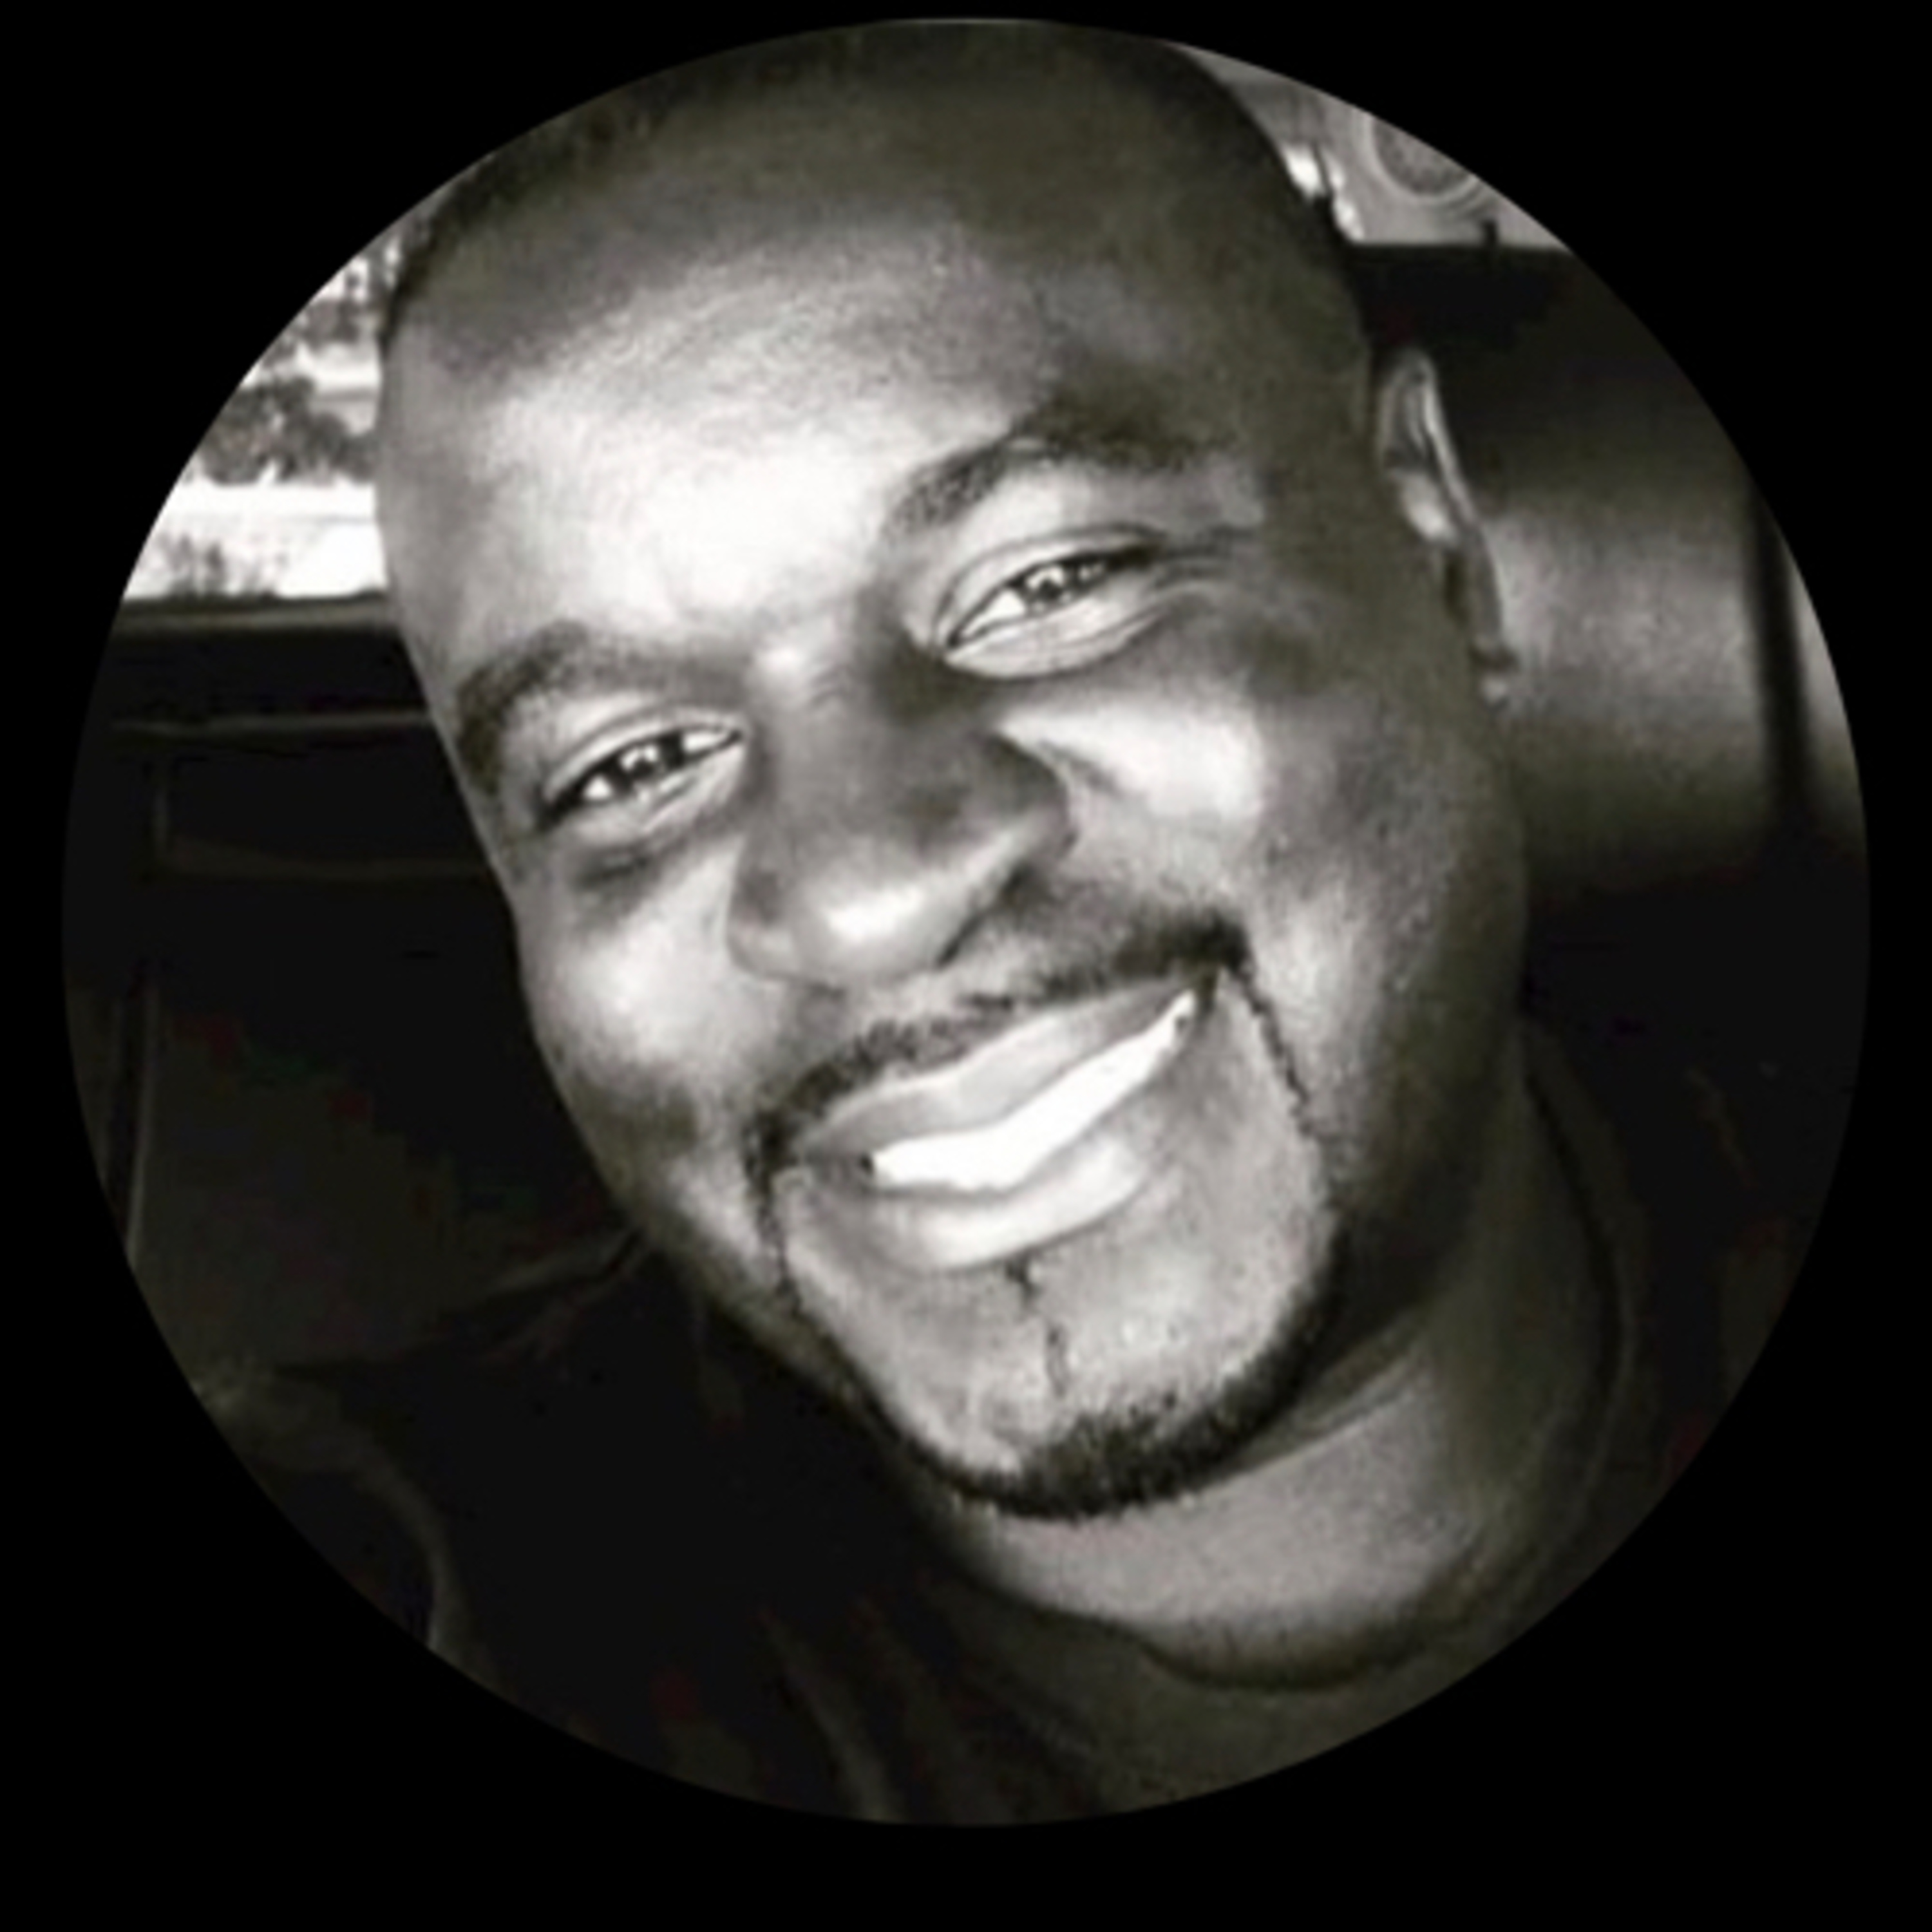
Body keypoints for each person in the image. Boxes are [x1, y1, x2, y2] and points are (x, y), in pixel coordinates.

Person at [200, 23, 1852, 1820]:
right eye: (632, 764)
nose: (864, 897)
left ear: (1435, 547)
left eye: (1049, 583)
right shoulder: (430, 1571)